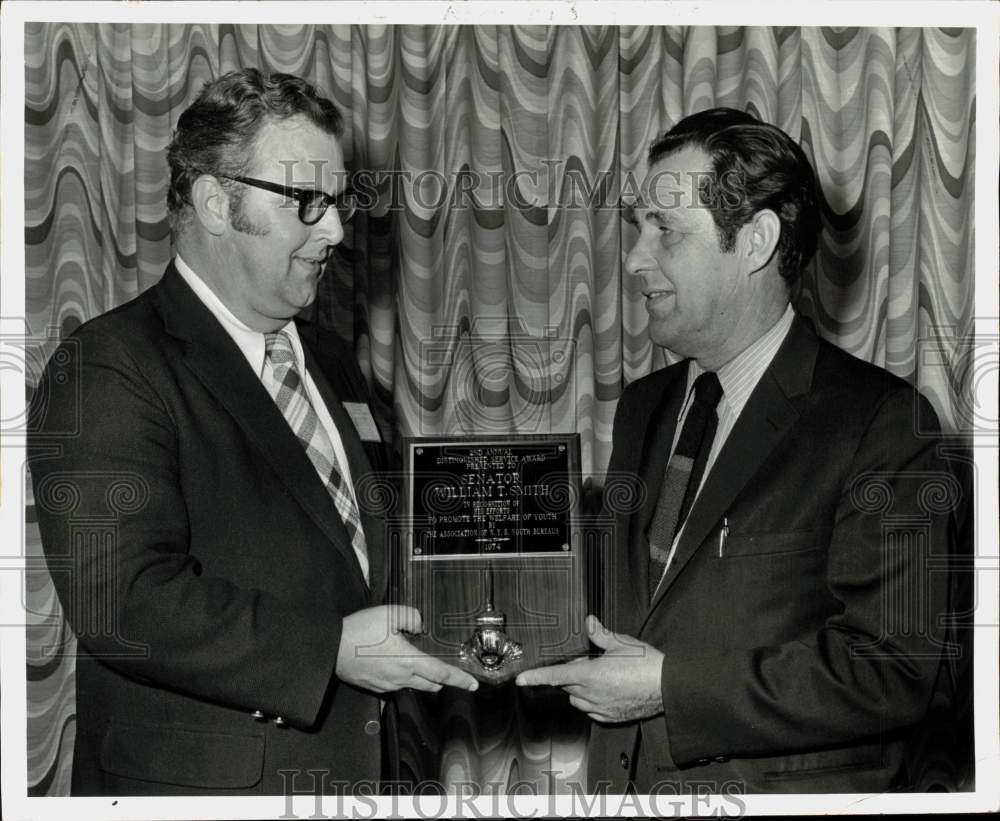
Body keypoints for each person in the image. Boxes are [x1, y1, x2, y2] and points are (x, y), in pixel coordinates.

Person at [27, 67, 477, 797]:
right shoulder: (109, 364)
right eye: (307, 201)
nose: (336, 231)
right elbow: (121, 600)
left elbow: (362, 547)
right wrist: (330, 648)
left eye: (337, 202)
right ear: (215, 202)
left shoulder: (332, 360)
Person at [516, 107, 956, 793]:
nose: (634, 260)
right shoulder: (643, 406)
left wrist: (668, 687)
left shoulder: (882, 423)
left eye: (665, 230)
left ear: (755, 242)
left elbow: (891, 669)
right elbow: (647, 601)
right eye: (638, 229)